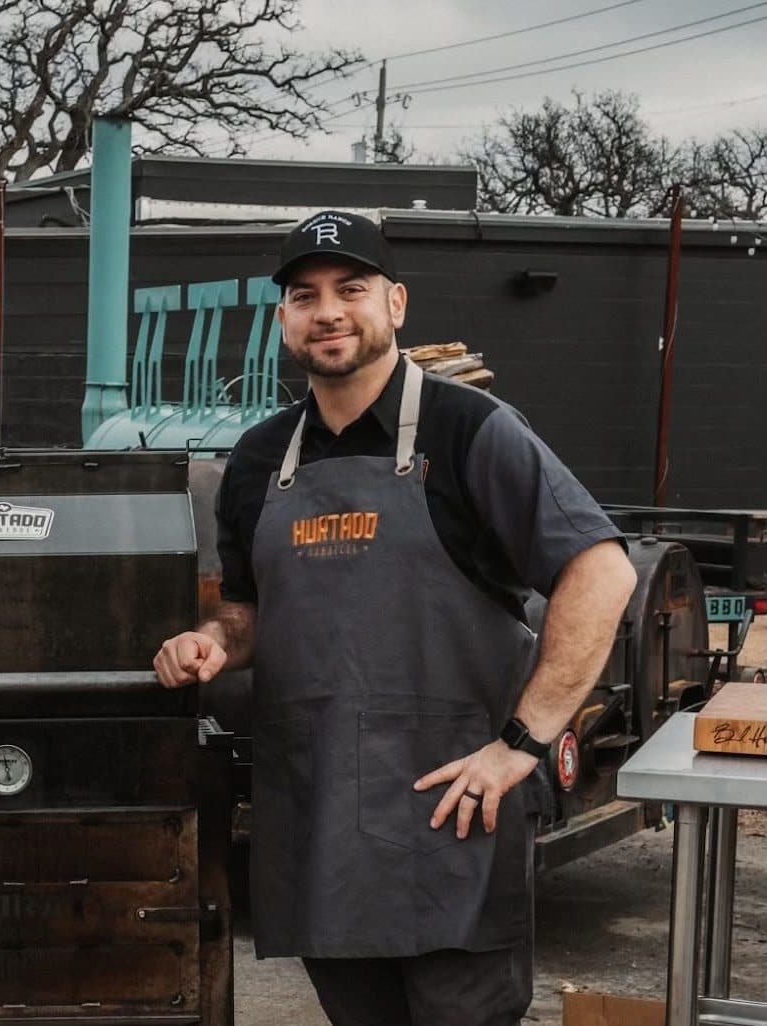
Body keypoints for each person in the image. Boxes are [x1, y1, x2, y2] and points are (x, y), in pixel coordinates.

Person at [154, 209, 636, 1026]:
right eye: (304, 296)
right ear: (283, 318)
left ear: (396, 304)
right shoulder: (257, 460)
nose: (328, 312)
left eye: (351, 289)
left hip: (453, 820)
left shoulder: (471, 431)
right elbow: (246, 615)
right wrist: (209, 644)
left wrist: (521, 744)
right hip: (318, 822)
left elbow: (601, 570)